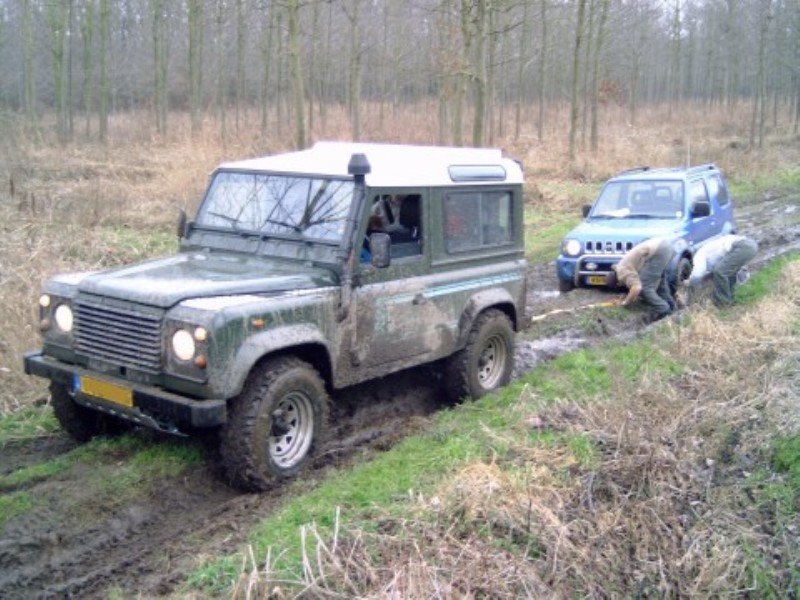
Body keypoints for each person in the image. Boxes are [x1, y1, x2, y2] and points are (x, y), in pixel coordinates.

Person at [612, 237, 676, 322]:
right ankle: (671, 306)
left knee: (645, 287)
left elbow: (637, 288)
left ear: (618, 283)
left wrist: (626, 302)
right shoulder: (621, 265)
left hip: (658, 251)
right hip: (665, 246)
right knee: (660, 284)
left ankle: (664, 310)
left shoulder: (622, 273)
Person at [685, 234, 758, 306]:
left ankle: (723, 302)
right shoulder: (710, 249)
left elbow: (697, 275)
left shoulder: (699, 256)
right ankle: (730, 298)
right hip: (749, 244)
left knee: (719, 272)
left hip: (742, 246)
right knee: (729, 272)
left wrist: (689, 285)